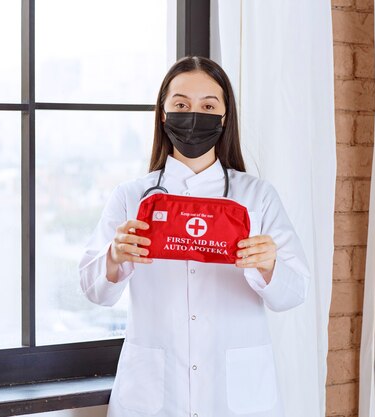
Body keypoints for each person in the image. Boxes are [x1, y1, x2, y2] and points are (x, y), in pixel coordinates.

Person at [79, 56, 310, 417]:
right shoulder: (130, 196)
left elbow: (294, 294)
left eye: (208, 106)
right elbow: (95, 292)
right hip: (153, 392)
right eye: (182, 105)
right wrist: (114, 257)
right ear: (163, 113)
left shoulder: (257, 196)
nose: (194, 115)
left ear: (224, 117)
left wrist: (269, 265)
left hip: (236, 393)